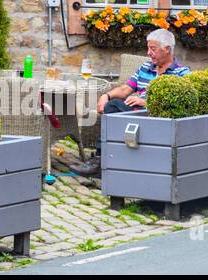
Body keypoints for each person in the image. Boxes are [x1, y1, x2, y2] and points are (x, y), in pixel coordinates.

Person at [71, 28, 190, 176]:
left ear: (167, 49)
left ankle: (100, 161)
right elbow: (125, 89)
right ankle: (105, 161)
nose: (148, 53)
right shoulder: (145, 68)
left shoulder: (182, 74)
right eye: (148, 48)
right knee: (112, 104)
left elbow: (181, 104)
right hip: (133, 115)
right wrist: (106, 96)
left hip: (156, 119)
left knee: (114, 107)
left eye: (152, 49)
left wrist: (145, 103)